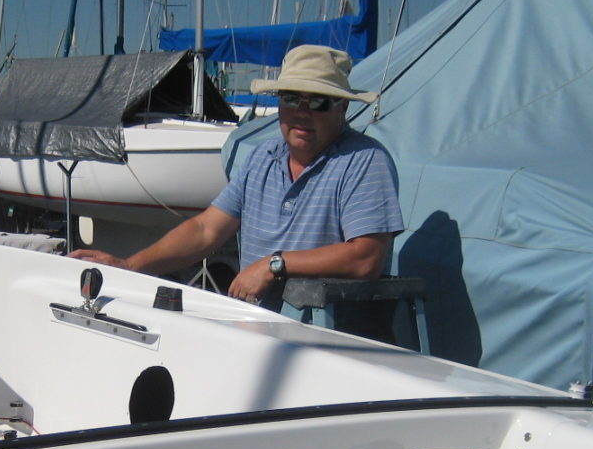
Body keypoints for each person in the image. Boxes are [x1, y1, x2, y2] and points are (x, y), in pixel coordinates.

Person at [71, 44, 402, 323]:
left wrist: (274, 265)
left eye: (318, 101)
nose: (302, 111)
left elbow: (365, 259)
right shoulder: (263, 157)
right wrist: (130, 265)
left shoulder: (366, 161)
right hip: (257, 328)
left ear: (342, 107)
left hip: (328, 341)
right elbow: (206, 230)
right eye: (290, 98)